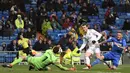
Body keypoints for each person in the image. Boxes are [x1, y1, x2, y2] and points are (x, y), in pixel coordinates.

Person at [2, 46, 76, 71]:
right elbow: (61, 68)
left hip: (34, 60)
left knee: (23, 57)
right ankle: (35, 68)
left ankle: (11, 64)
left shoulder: (48, 50)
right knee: (48, 69)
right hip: (40, 66)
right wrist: (69, 69)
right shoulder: (55, 60)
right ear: (57, 53)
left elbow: (54, 49)